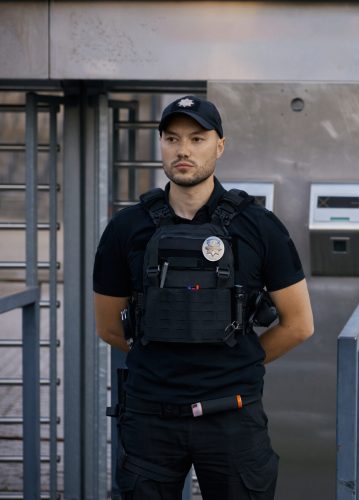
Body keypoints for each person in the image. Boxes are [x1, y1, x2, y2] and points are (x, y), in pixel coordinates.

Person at [93, 95, 314, 499]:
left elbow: (299, 324)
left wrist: (235, 364)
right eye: (173, 138)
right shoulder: (126, 228)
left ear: (220, 145)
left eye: (197, 139)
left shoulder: (260, 227)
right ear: (160, 144)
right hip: (149, 419)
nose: (183, 150)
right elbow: (108, 326)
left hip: (232, 416)